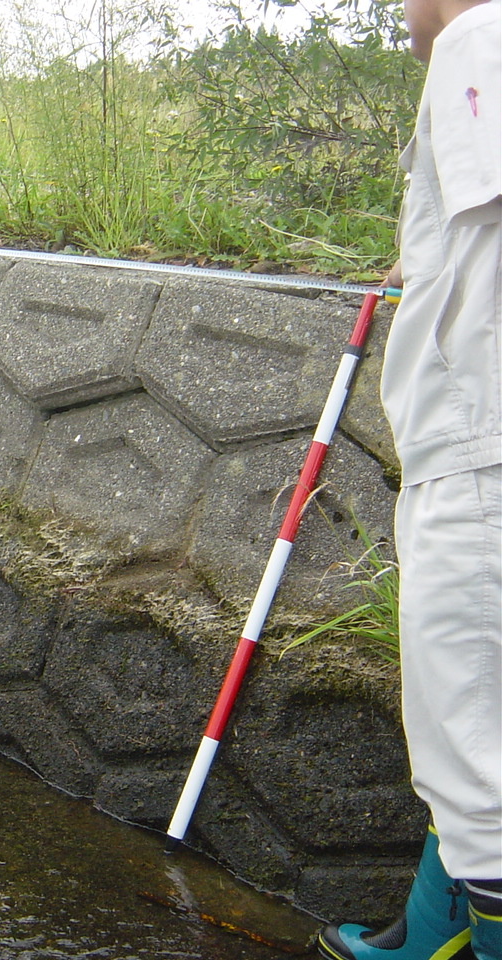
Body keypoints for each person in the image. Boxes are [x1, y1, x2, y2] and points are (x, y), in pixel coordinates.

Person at [317, 1, 500, 959]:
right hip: (471, 453)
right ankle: (425, 939)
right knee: (469, 753)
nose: (397, 12)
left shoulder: (483, 37)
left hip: (479, 460)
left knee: (478, 775)